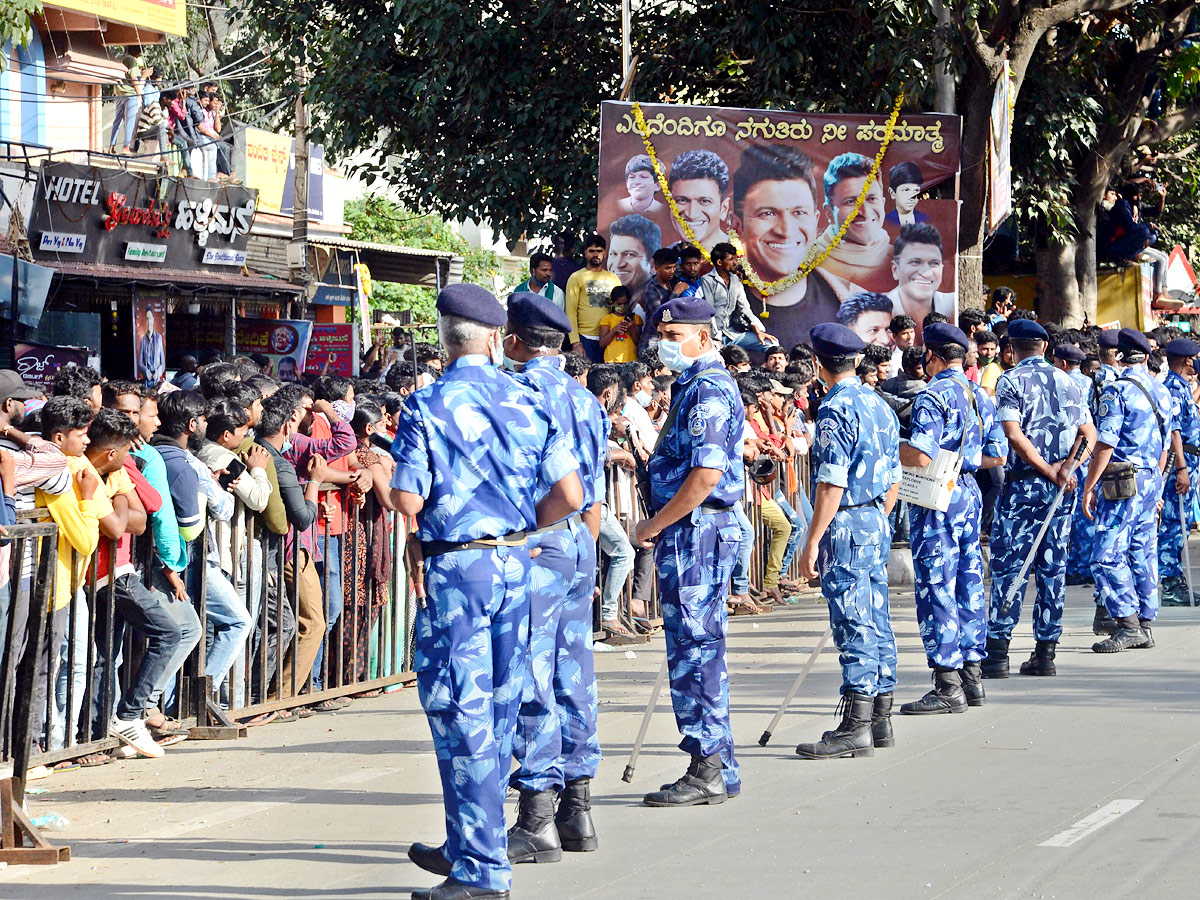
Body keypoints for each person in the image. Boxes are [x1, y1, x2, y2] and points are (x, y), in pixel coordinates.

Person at [394, 284, 582, 900]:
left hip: (458, 571)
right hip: (515, 561)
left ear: (444, 337)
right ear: (498, 338)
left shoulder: (427, 404)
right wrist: (519, 526)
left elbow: (407, 499)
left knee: (461, 714)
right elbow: (570, 498)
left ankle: (479, 868)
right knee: (500, 711)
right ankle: (472, 841)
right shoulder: (530, 399)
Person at [501, 292, 609, 865]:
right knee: (575, 672)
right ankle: (578, 810)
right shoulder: (586, 400)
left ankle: (538, 814)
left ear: (514, 339)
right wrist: (585, 546)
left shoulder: (516, 392)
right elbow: (589, 489)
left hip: (537, 540)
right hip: (576, 542)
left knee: (531, 672)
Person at [633, 296, 744, 807]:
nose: (664, 343)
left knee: (695, 650)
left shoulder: (707, 390)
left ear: (703, 336)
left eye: (674, 335)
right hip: (693, 531)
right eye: (662, 334)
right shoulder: (693, 386)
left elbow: (705, 475)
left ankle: (707, 767)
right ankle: (719, 761)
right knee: (699, 647)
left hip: (695, 532)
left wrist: (655, 523)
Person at [794, 323, 901, 758]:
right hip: (875, 516)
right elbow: (895, 475)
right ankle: (880, 718)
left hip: (848, 521)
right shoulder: (879, 404)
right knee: (877, 616)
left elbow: (830, 483)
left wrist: (813, 540)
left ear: (819, 364)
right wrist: (878, 514)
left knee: (853, 620)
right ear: (857, 361)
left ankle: (856, 725)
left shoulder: (835, 409)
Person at [899, 323, 1007, 715]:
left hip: (938, 494)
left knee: (936, 584)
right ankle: (972, 677)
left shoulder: (933, 395)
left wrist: (893, 449)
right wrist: (964, 461)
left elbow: (922, 456)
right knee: (969, 581)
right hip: (969, 491)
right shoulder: (979, 395)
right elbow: (998, 456)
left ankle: (947, 681)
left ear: (932, 356)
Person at [981, 320, 1095, 679]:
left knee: (1009, 568)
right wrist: (1068, 467)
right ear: (1045, 347)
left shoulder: (1010, 381)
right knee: (1052, 568)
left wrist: (1049, 468)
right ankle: (1045, 654)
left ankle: (998, 654)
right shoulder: (1070, 382)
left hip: (1023, 489)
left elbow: (1013, 436)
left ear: (1011, 349)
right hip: (1060, 491)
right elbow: (1089, 434)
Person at [1083, 328, 1176, 654]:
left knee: (1105, 555)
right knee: (1142, 550)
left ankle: (1127, 622)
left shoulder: (1116, 391)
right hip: (1151, 478)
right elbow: (1166, 447)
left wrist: (1089, 485)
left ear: (1119, 356)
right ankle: (1145, 623)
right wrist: (1159, 482)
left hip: (1123, 481)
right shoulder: (1162, 392)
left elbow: (1106, 444)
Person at [732, 144, 852, 350]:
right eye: (767, 213)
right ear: (737, 226)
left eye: (799, 213)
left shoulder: (846, 301)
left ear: (815, 222)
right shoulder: (716, 304)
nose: (786, 230)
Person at [812, 152, 892, 291]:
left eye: (872, 199)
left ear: (883, 203)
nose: (865, 212)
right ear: (829, 213)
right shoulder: (809, 264)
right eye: (851, 202)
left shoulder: (901, 258)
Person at [1159, 338, 1200, 606]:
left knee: (1182, 526)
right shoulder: (1173, 387)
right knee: (1174, 525)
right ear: (1187, 360)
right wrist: (1182, 468)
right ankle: (1171, 585)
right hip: (1180, 463)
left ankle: (1176, 581)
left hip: (1189, 461)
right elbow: (1174, 430)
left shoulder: (1183, 387)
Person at [702, 242, 778, 353]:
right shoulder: (707, 280)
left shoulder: (735, 280)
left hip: (733, 334)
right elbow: (709, 312)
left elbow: (745, 308)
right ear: (719, 262)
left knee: (773, 345)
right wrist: (716, 338)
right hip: (714, 336)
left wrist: (758, 330)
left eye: (735, 258)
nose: (735, 262)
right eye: (731, 259)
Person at [887, 224, 956, 339]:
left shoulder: (952, 306)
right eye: (915, 262)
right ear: (895, 269)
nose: (926, 273)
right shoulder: (878, 312)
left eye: (934, 263)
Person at [566, 235, 623, 364]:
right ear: (586, 253)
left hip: (609, 338)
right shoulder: (576, 277)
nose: (595, 254)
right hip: (585, 338)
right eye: (592, 251)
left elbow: (619, 308)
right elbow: (570, 311)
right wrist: (575, 342)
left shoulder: (613, 278)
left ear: (605, 253)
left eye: (599, 251)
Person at [667, 149, 732, 251]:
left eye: (704, 201)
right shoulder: (660, 261)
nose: (692, 214)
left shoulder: (746, 259)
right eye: (682, 200)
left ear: (724, 209)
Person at [607, 215, 660, 306]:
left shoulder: (656, 304)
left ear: (652, 266)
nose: (618, 264)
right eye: (613, 254)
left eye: (629, 255)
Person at [597, 286, 642, 363]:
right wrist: (614, 330)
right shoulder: (607, 319)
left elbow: (638, 341)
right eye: (619, 304)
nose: (622, 306)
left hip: (630, 360)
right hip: (611, 360)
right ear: (613, 303)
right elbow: (602, 343)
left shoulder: (636, 318)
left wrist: (632, 327)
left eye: (625, 303)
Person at [109, 53, 143, 155]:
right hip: (130, 94)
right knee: (130, 120)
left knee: (117, 121)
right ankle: (126, 147)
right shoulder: (131, 60)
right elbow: (133, 78)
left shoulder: (118, 57)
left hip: (119, 93)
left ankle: (111, 146)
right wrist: (139, 94)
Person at [884, 160, 929, 228]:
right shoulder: (884, 221)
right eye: (906, 190)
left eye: (916, 190)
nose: (912, 197)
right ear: (892, 193)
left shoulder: (926, 220)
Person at [138, 309, 166, 385]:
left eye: (150, 318)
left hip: (156, 379)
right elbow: (139, 363)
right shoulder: (143, 339)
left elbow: (163, 362)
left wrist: (158, 372)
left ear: (153, 319)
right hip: (146, 379)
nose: (149, 321)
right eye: (147, 318)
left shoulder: (159, 338)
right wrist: (146, 372)